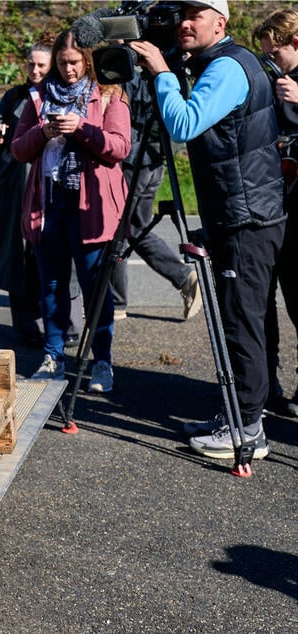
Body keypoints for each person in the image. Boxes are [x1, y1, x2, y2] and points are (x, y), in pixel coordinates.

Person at [132, 0, 285, 460]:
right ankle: (238, 415)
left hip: (246, 218)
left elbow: (183, 123)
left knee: (241, 323)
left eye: (195, 15)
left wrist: (162, 72)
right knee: (249, 319)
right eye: (181, 14)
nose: (184, 22)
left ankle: (248, 430)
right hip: (243, 212)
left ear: (220, 22)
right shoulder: (221, 62)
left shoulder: (227, 68)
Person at [12, 29, 131, 392]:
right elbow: (18, 149)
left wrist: (81, 128)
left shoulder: (110, 95)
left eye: (75, 62)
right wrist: (43, 133)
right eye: (62, 63)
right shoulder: (38, 96)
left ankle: (102, 362)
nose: (68, 70)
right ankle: (53, 358)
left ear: (89, 60)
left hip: (91, 206)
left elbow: (119, 148)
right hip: (49, 202)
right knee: (51, 285)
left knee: (95, 289)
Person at [109, 74, 201, 323]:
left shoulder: (129, 71)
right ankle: (184, 278)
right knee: (136, 228)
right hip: (155, 159)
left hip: (133, 162)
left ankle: (116, 303)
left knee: (118, 230)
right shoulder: (166, 72)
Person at [0, 42, 51, 346]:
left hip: (46, 183)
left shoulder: (59, 94)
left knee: (45, 253)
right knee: (14, 254)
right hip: (12, 184)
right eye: (31, 64)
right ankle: (23, 326)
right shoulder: (15, 96)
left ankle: (54, 323)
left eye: (41, 65)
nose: (35, 70)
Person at [254, 8, 298, 418]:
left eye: (275, 54)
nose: (271, 62)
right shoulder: (273, 81)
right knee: (262, 302)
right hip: (271, 208)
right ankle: (266, 385)